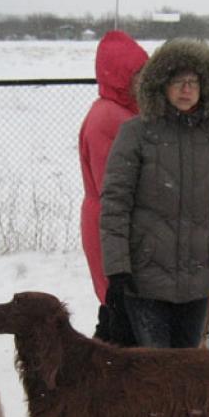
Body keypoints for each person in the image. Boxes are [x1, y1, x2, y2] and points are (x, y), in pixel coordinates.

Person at [100, 37, 209, 417]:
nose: (185, 89)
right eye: (177, 81)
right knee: (156, 371)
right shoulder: (136, 132)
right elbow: (115, 203)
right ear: (160, 85)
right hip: (147, 275)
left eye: (193, 82)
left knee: (189, 368)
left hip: (197, 275)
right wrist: (117, 266)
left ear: (206, 88)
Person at [78, 30, 149, 344]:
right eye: (138, 73)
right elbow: (115, 187)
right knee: (120, 309)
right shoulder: (110, 117)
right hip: (113, 225)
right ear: (121, 76)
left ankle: (100, 358)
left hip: (114, 223)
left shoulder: (125, 111)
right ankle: (104, 364)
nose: (145, 80)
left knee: (117, 308)